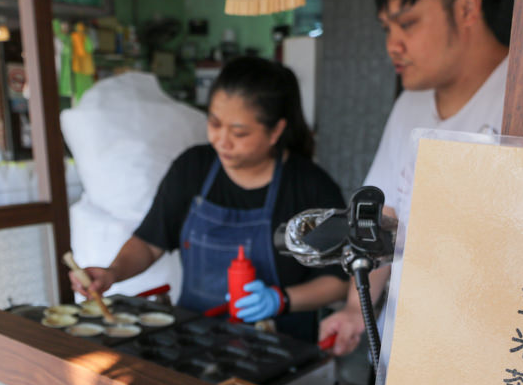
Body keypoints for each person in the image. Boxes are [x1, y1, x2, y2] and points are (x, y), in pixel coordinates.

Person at [70, 56, 349, 342]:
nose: (222, 141)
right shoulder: (193, 168)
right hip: (195, 340)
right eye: (215, 124)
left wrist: (281, 300)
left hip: (281, 346)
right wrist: (112, 273)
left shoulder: (310, 187)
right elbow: (149, 243)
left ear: (276, 130)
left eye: (239, 133)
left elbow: (338, 282)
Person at [319, 0, 509, 357]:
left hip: (488, 357)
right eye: (387, 29)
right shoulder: (411, 103)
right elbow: (382, 216)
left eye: (407, 23)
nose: (394, 44)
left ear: (467, 8)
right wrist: (357, 311)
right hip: (406, 354)